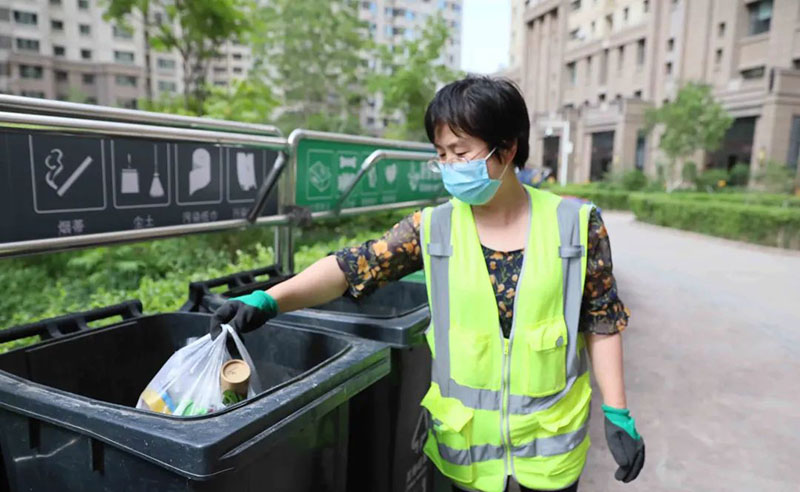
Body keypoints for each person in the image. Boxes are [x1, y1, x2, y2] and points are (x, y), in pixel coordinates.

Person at [209, 76, 645, 492]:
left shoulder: (576, 225)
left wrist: (617, 411)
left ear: (508, 148)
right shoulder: (434, 228)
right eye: (441, 154)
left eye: (461, 152)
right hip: (470, 453)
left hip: (551, 447)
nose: (450, 167)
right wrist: (269, 299)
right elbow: (351, 266)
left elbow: (601, 320)